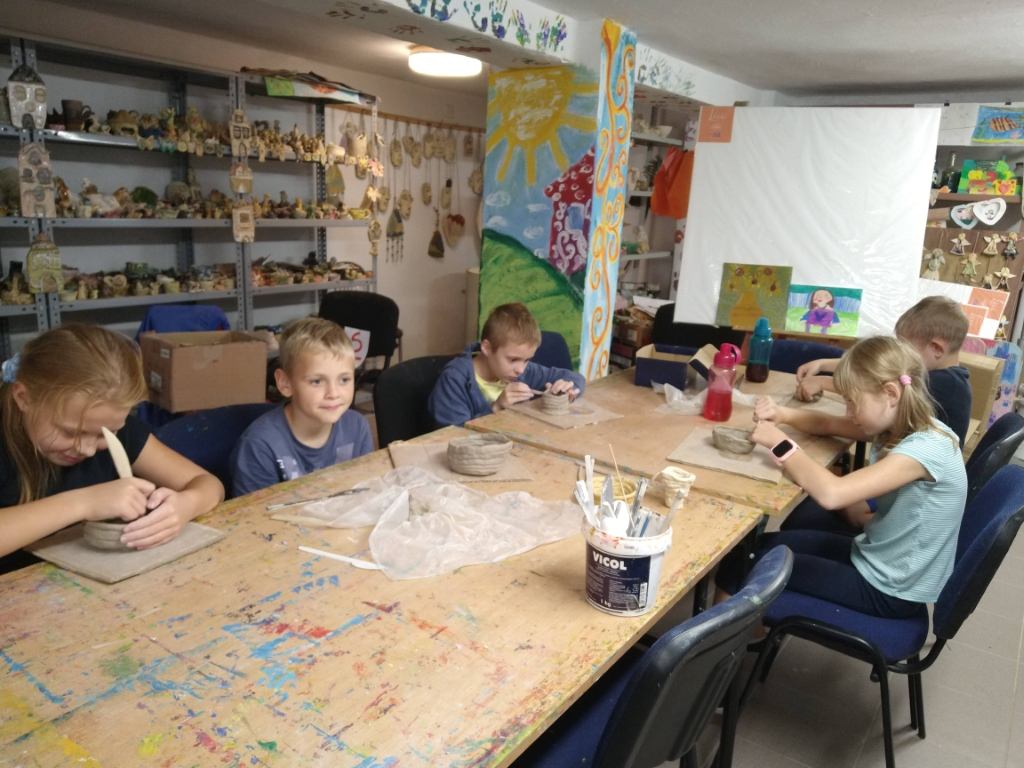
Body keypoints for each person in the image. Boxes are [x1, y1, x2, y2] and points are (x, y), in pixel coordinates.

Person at [715, 336, 967, 619]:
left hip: (888, 588)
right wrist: (782, 414)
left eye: (853, 402)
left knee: (741, 564)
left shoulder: (925, 449)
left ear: (891, 393)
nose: (849, 412)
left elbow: (832, 494)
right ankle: (753, 627)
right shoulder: (904, 424)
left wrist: (780, 443)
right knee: (753, 549)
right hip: (877, 557)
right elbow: (827, 423)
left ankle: (729, 641)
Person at [0, 325, 224, 572]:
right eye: (70, 433)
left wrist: (185, 505)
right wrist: (84, 503)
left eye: (106, 434)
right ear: (24, 398)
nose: (87, 450)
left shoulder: (115, 426)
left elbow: (209, 484)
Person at [795, 295, 972, 448]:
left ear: (937, 348)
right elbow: (879, 368)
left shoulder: (943, 384)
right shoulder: (949, 376)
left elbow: (872, 385)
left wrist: (822, 382)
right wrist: (824, 364)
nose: (900, 353)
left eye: (905, 348)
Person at [231, 317, 372, 497]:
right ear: (285, 383)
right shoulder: (259, 445)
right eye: (317, 381)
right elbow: (253, 512)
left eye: (344, 379)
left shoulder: (358, 427)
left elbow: (365, 493)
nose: (333, 393)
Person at [429, 302, 586, 427]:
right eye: (512, 360)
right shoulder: (454, 380)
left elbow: (575, 377)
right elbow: (453, 437)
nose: (520, 370)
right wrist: (496, 407)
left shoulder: (522, 371)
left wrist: (568, 388)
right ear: (487, 348)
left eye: (527, 360)